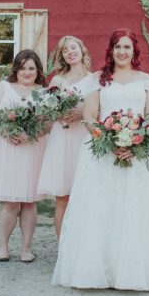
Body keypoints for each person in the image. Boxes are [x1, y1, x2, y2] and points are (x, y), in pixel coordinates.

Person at [52, 29, 149, 292]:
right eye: (118, 47)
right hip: (102, 151)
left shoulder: (145, 80)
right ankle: (99, 269)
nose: (122, 52)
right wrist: (109, 141)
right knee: (101, 207)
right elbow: (89, 116)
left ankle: (134, 270)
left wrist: (136, 142)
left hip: (139, 151)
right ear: (111, 50)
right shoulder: (99, 79)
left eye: (127, 47)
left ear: (134, 51)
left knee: (135, 207)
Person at [0, 50, 49, 263]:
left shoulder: (44, 92)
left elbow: (48, 123)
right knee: (10, 202)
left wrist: (30, 132)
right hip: (9, 148)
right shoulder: (4, 87)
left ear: (37, 70)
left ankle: (26, 248)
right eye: (23, 68)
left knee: (30, 201)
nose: (27, 72)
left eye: (31, 68)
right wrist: (7, 132)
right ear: (16, 69)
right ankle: (3, 247)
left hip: (33, 148)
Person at [37, 36, 98, 238]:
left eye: (73, 47)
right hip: (62, 138)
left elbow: (101, 109)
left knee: (85, 197)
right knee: (62, 197)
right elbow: (47, 110)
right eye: (65, 50)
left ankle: (82, 246)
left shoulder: (95, 79)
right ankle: (62, 247)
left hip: (83, 136)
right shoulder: (57, 80)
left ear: (82, 50)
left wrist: (82, 113)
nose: (70, 52)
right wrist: (58, 113)